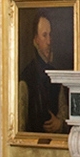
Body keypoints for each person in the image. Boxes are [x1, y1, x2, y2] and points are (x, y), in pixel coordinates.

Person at [18, 11, 68, 139]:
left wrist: (60, 124)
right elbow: (20, 125)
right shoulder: (26, 78)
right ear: (36, 40)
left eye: (50, 35)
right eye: (44, 36)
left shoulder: (56, 76)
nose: (49, 41)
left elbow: (64, 112)